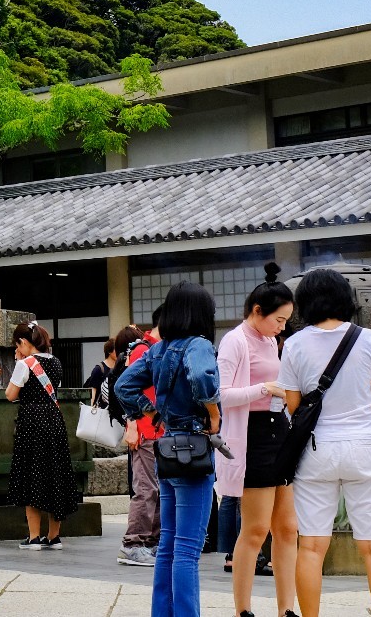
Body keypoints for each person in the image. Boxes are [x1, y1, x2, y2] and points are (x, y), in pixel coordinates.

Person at [278, 267, 371, 617]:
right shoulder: (369, 338)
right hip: (364, 445)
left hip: (317, 450)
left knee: (312, 547)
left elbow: (294, 406)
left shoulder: (295, 344)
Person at [115, 282, 220, 617]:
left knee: (168, 546)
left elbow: (123, 385)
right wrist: (214, 412)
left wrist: (152, 412)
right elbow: (202, 376)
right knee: (188, 549)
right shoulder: (199, 344)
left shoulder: (157, 349)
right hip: (194, 447)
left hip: (166, 447)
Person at [218, 264, 298, 617]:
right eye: (278, 320)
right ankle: (243, 609)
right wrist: (265, 388)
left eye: (285, 322)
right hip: (252, 434)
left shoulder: (267, 339)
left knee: (287, 528)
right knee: (255, 529)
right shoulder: (235, 340)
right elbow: (222, 395)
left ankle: (286, 609)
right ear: (257, 311)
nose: (282, 328)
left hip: (277, 428)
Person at [4, 321, 81, 549]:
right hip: (53, 421)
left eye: (17, 345)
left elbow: (10, 394)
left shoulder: (25, 363)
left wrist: (19, 363)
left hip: (31, 423)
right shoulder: (56, 362)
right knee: (55, 473)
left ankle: (34, 537)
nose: (17, 350)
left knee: (32, 475)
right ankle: (54, 536)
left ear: (24, 342)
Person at [119, 310, 166, 567]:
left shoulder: (158, 348)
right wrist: (132, 424)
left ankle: (149, 543)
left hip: (158, 431)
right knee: (146, 489)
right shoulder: (142, 350)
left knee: (156, 490)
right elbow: (126, 389)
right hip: (146, 429)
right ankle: (133, 543)